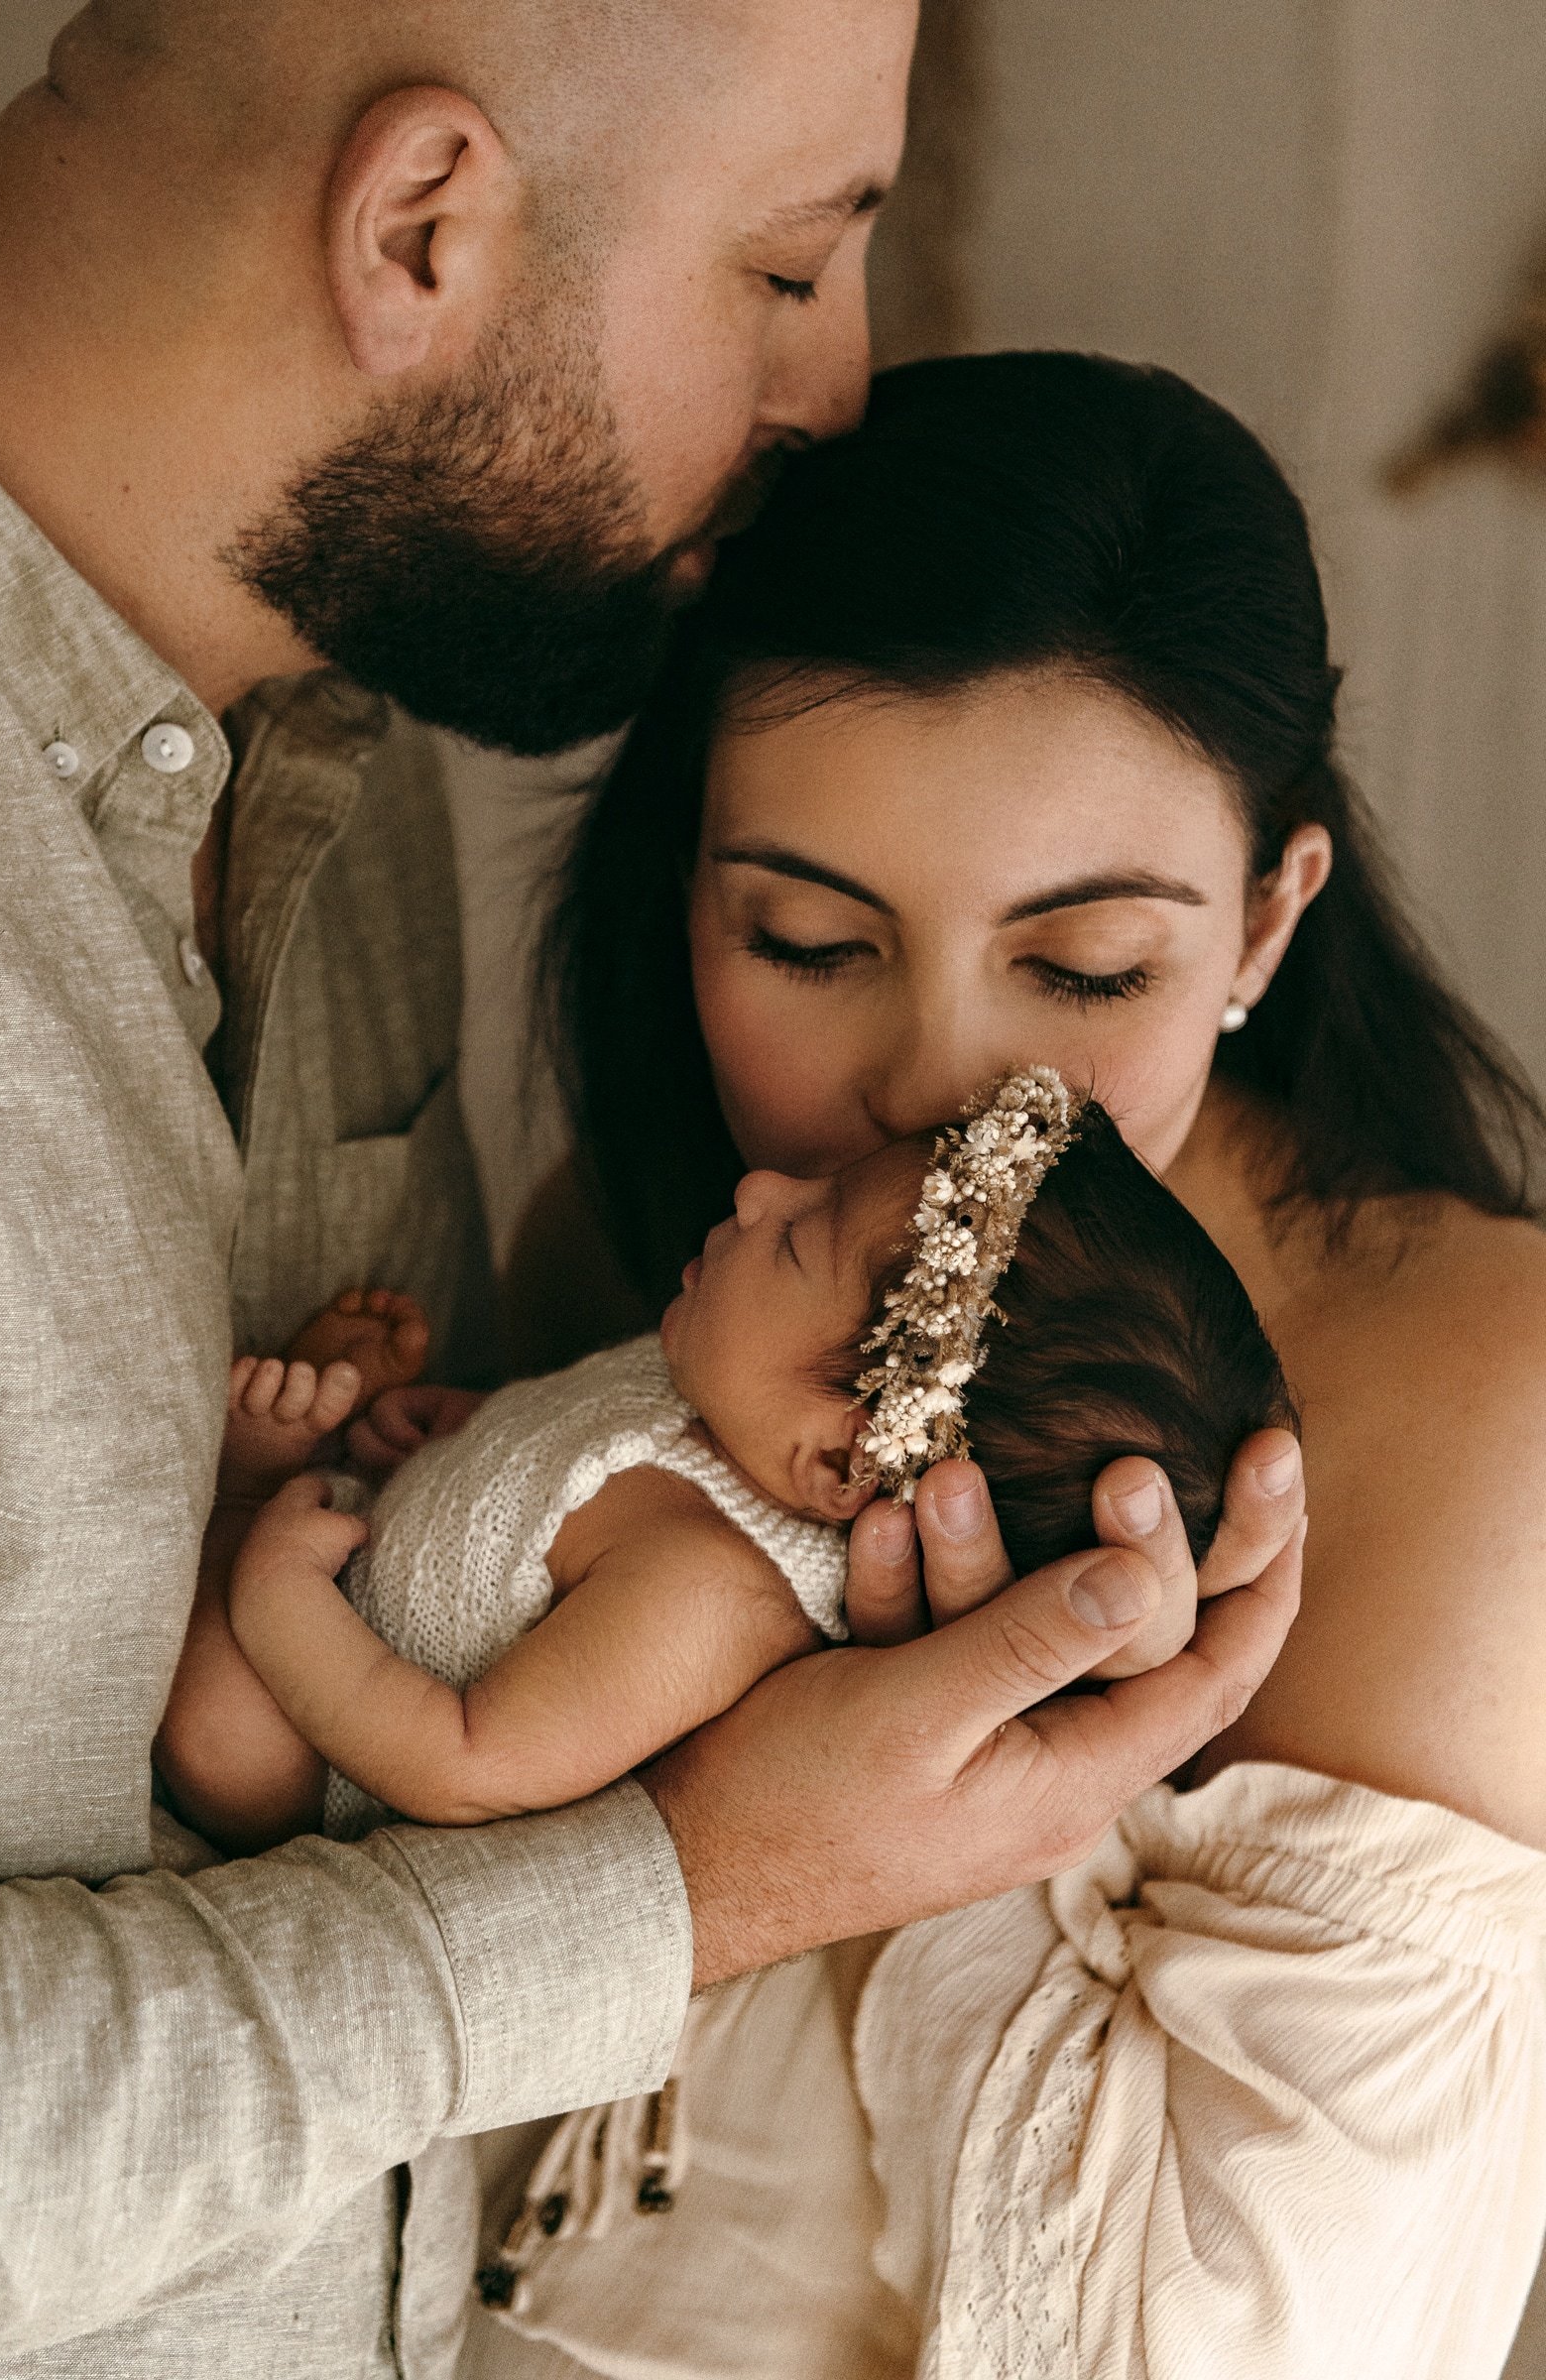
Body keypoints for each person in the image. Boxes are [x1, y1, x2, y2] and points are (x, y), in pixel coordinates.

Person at [0, 15, 1304, 2376]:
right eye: (789, 270)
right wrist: (695, 1879)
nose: (840, 395)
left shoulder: (337, 770)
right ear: (422, 226)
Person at [460, 351, 1546, 2376]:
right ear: (683, 888)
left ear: (1257, 925)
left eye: (1080, 971)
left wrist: (959, 1827)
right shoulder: (643, 1267)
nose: (939, 1093)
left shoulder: (1477, 1405)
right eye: (802, 941)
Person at [154, 1070, 1294, 1851]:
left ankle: (245, 1494)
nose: (760, 1189)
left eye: (800, 1233)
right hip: (366, 1565)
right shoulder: (726, 1393)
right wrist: (459, 1427)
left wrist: (280, 1591)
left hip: (327, 1746)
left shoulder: (704, 1592)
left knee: (221, 1738)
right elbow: (572, 1457)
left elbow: (466, 1765)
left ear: (840, 1461)